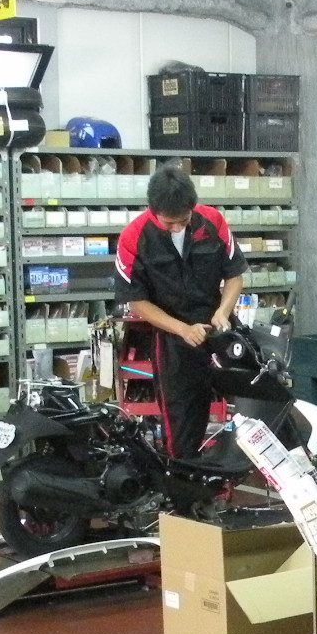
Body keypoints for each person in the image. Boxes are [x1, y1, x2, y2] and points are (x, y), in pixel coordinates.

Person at [115, 164, 246, 458]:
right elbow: (137, 301)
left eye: (183, 221)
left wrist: (223, 311)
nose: (177, 227)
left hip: (220, 331)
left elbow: (235, 276)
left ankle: (237, 472)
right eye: (169, 223)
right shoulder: (133, 237)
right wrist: (183, 329)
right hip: (173, 340)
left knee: (249, 409)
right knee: (181, 424)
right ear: (153, 211)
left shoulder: (212, 222)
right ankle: (184, 482)